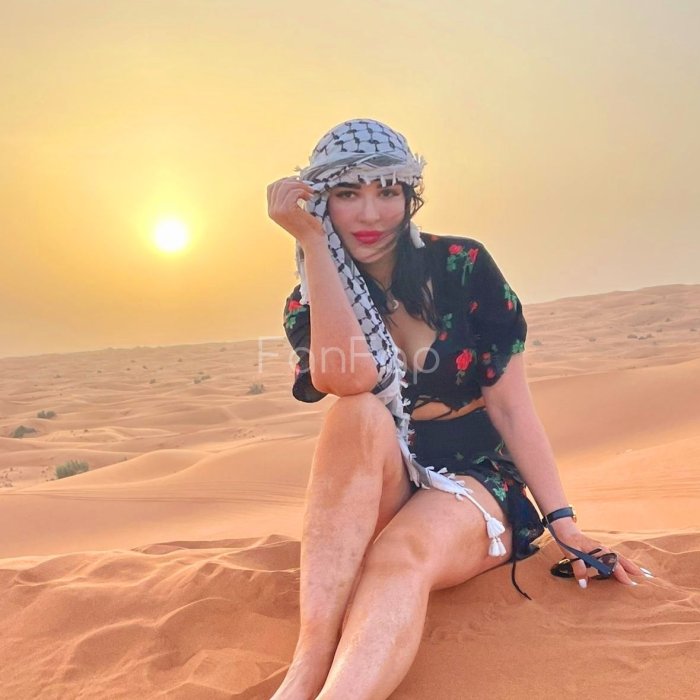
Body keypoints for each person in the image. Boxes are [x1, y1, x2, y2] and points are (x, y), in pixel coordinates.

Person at [266, 118, 649, 700]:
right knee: (355, 412)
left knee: (400, 554)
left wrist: (565, 524)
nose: (370, 214)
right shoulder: (312, 295)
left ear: (409, 196)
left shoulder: (462, 266)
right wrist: (314, 245)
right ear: (321, 202)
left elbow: (512, 408)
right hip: (390, 476)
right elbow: (349, 379)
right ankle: (308, 664)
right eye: (346, 193)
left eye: (387, 191)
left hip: (476, 477)